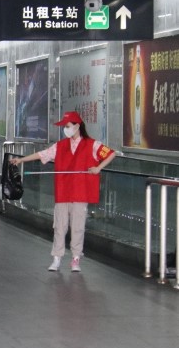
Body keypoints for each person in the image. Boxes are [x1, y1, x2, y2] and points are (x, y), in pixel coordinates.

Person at [10, 111, 116, 273]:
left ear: (77, 126)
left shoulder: (92, 144)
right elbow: (42, 154)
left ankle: (76, 258)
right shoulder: (60, 145)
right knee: (60, 226)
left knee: (78, 226)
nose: (65, 129)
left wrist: (98, 168)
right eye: (65, 127)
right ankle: (57, 258)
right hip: (63, 191)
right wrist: (21, 159)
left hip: (80, 192)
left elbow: (111, 153)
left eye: (67, 126)